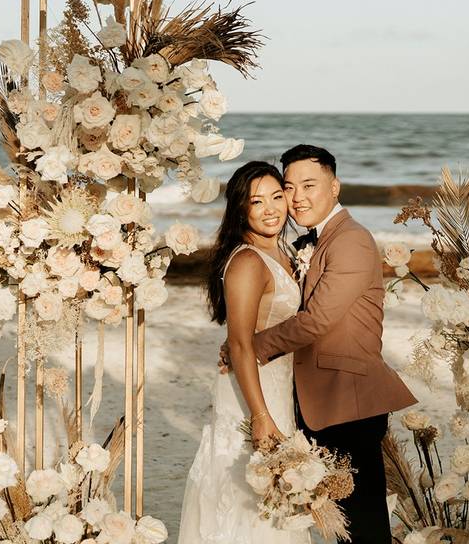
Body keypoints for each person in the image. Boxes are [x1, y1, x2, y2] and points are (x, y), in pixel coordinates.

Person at [223, 144, 418, 543]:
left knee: (362, 525)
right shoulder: (305, 244)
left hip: (348, 401)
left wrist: (251, 345)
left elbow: (318, 320)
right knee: (339, 525)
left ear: (335, 186)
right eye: (288, 188)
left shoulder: (350, 240)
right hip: (317, 403)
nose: (297, 198)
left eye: (308, 185)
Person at [177, 161, 309, 544]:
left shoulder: (282, 250)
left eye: (276, 196)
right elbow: (239, 343)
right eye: (256, 202)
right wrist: (260, 415)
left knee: (275, 487)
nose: (271, 209)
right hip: (253, 390)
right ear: (240, 209)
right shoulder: (248, 261)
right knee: (248, 486)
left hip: (277, 383)